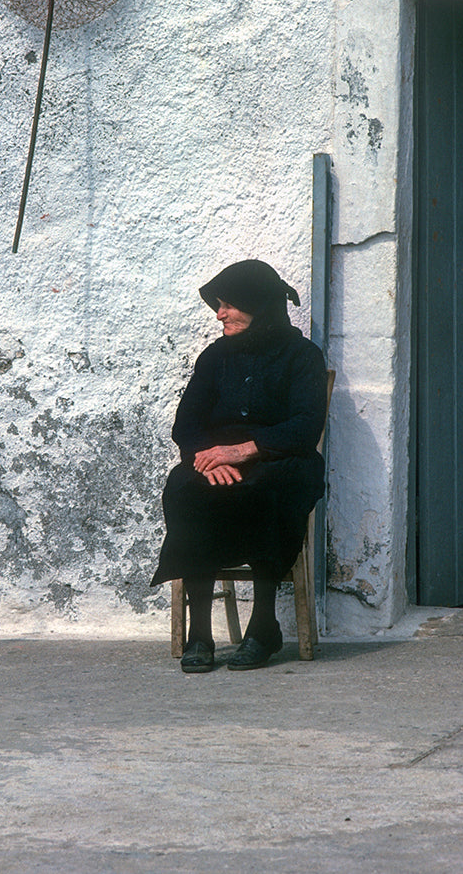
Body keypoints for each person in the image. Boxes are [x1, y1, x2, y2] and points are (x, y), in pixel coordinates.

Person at [151, 259, 329, 673]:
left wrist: (244, 450)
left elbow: (305, 426)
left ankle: (263, 624)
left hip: (282, 459)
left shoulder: (302, 356)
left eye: (230, 305)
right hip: (214, 462)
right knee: (186, 489)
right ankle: (199, 633)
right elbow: (187, 425)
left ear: (260, 305)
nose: (220, 314)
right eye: (219, 305)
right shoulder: (215, 357)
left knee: (268, 489)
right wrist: (205, 460)